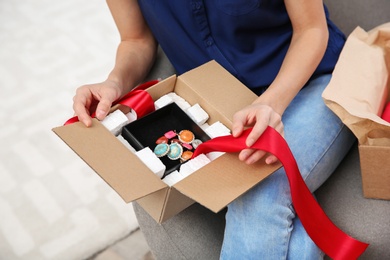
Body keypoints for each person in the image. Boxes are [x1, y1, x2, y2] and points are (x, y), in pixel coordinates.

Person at [72, 0, 355, 259]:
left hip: (315, 80)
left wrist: (272, 103)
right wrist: (115, 83)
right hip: (225, 106)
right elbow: (136, 40)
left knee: (259, 194)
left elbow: (312, 30)